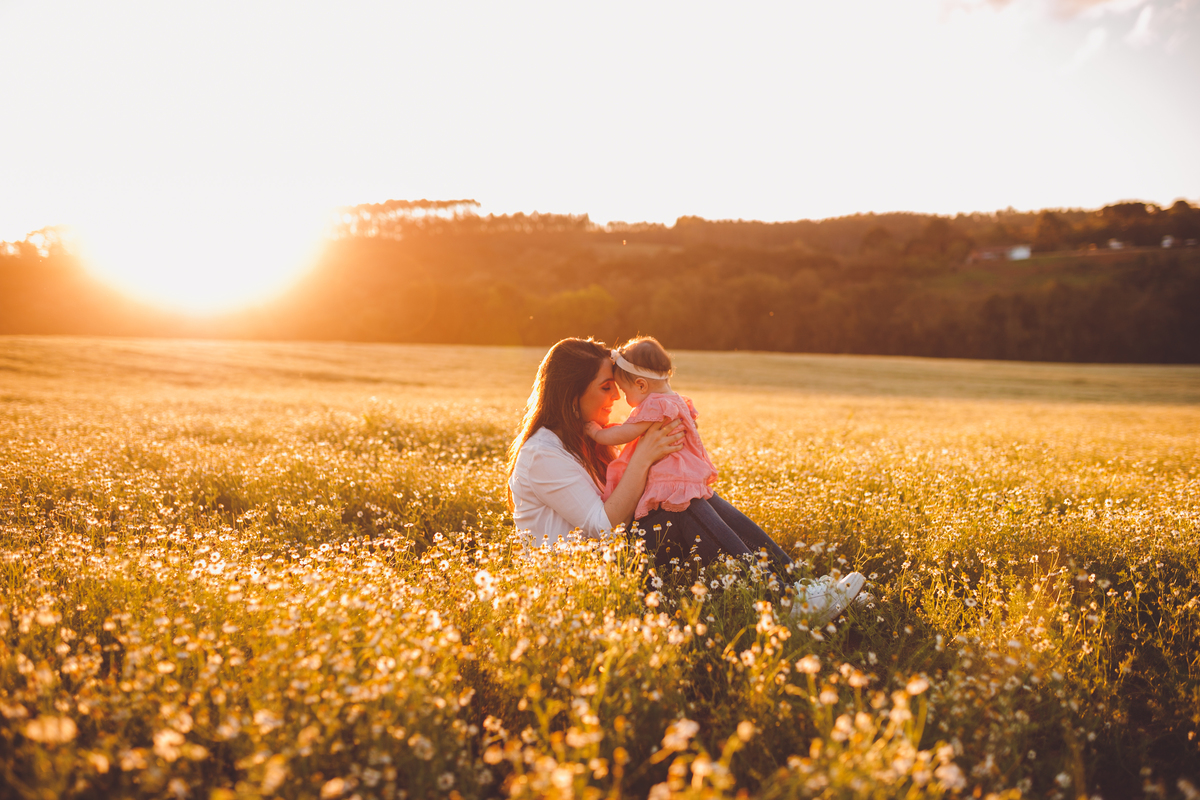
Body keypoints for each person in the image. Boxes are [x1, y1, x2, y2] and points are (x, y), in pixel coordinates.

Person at [506, 337, 866, 626]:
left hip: (608, 559)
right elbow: (603, 526)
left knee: (692, 494)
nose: (616, 396)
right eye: (605, 387)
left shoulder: (584, 441)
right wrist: (645, 456)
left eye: (616, 386)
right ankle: (785, 602)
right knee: (678, 504)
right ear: (572, 395)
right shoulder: (544, 454)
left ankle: (799, 587)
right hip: (578, 584)